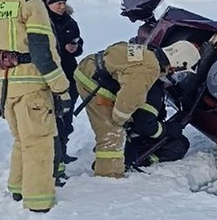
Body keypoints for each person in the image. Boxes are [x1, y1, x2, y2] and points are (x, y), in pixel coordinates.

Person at [0, 0, 73, 213]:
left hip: (5, 84)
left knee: (21, 139)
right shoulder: (32, 3)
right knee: (40, 142)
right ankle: (39, 202)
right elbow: (43, 51)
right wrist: (61, 88)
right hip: (32, 85)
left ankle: (18, 188)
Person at [73, 40, 201, 178]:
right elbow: (128, 99)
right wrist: (121, 121)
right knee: (112, 136)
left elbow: (117, 50)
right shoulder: (149, 70)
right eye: (179, 75)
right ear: (175, 66)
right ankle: (108, 177)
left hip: (88, 67)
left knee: (117, 127)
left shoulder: (148, 54)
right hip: (93, 84)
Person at [44, 0, 84, 180]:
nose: (61, 6)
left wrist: (75, 48)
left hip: (70, 75)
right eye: (58, 3)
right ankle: (55, 157)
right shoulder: (42, 21)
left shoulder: (70, 22)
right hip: (52, 76)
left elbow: (80, 45)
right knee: (56, 118)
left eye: (63, 3)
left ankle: (63, 150)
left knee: (67, 118)